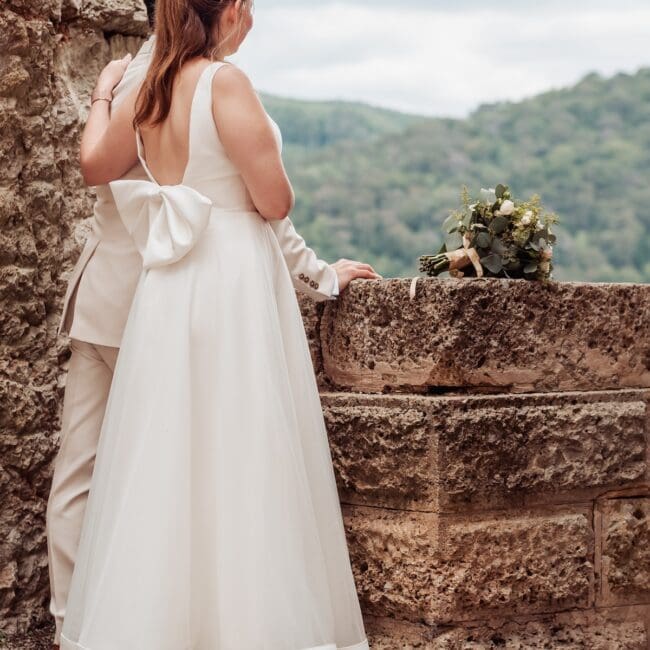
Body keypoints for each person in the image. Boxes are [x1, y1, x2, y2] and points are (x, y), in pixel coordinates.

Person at [46, 8, 380, 650]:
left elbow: (103, 163)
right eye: (246, 3)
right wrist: (322, 273)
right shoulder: (225, 83)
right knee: (240, 453)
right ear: (222, 9)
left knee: (166, 461)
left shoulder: (147, 88)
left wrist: (102, 95)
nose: (252, 14)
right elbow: (273, 202)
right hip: (229, 280)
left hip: (168, 287)